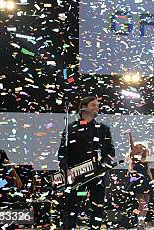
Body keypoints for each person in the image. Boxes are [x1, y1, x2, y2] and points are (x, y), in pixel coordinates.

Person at [57, 96, 116, 230]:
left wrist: (104, 164)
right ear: (83, 107)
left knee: (97, 207)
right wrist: (65, 169)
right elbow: (62, 153)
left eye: (97, 105)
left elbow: (110, 152)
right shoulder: (71, 128)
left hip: (98, 177)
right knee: (73, 205)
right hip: (77, 176)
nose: (97, 107)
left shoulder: (103, 129)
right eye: (93, 105)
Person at [125, 131, 154, 229]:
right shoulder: (134, 157)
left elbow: (148, 171)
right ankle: (139, 223)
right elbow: (131, 146)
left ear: (143, 149)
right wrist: (130, 135)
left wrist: (153, 182)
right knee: (142, 204)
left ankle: (142, 223)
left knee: (145, 204)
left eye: (139, 147)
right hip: (137, 181)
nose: (137, 149)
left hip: (146, 181)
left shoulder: (147, 158)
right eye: (136, 147)